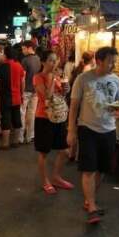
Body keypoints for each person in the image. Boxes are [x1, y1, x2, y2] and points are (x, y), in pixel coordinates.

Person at [67, 46, 119, 224]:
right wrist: (71, 131)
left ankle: (89, 198)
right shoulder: (83, 79)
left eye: (115, 61)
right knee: (89, 169)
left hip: (109, 129)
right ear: (98, 61)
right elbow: (74, 106)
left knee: (102, 169)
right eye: (110, 61)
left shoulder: (116, 80)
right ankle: (91, 205)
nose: (113, 65)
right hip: (88, 128)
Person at [33, 50, 74, 195]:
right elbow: (47, 97)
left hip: (59, 117)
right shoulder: (38, 77)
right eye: (50, 60)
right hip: (44, 118)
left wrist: (65, 89)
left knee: (64, 150)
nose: (54, 63)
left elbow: (60, 95)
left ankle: (56, 177)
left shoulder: (58, 76)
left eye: (55, 60)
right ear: (43, 62)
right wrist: (52, 78)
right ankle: (45, 181)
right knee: (44, 152)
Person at [0, 45, 24, 149]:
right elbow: (22, 81)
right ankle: (15, 142)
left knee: (6, 120)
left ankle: (5, 143)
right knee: (17, 119)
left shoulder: (1, 66)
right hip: (17, 97)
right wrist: (21, 94)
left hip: (5, 97)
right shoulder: (19, 66)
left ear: (5, 54)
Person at [19, 40, 41, 144]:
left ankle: (20, 136)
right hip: (35, 90)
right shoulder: (38, 59)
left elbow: (23, 78)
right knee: (32, 113)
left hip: (26, 90)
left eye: (23, 48)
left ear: (29, 48)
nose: (22, 51)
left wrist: (21, 90)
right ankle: (30, 135)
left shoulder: (25, 60)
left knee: (22, 112)